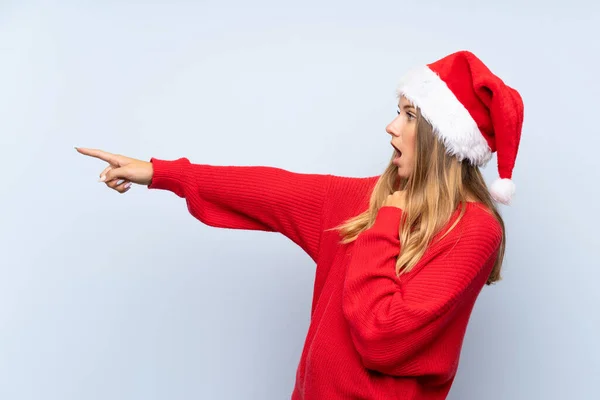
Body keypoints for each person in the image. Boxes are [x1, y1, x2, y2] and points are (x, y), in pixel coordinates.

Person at [76, 50, 524, 399]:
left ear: (443, 137)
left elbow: (380, 336)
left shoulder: (473, 231)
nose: (391, 126)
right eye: (398, 111)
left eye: (409, 116)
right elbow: (270, 189)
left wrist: (388, 218)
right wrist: (160, 173)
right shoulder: (369, 199)